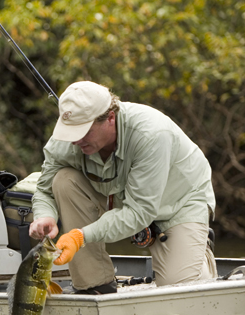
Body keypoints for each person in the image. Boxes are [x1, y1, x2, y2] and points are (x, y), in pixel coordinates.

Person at [30, 81, 217, 294]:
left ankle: (199, 246)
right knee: (63, 180)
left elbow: (139, 212)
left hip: (177, 203)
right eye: (70, 132)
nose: (75, 141)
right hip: (117, 196)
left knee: (180, 293)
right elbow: (45, 190)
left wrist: (80, 236)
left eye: (83, 131)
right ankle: (95, 285)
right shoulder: (67, 140)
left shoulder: (151, 134)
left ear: (110, 118)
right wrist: (45, 215)